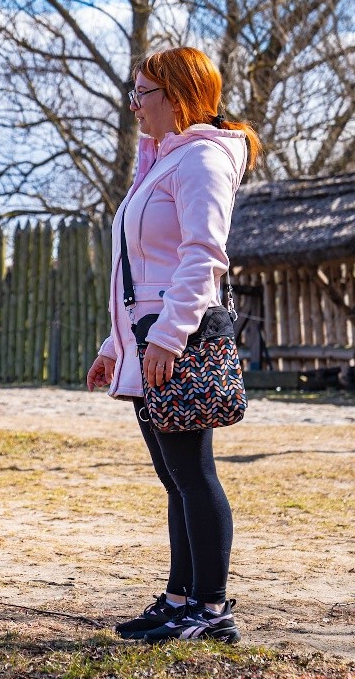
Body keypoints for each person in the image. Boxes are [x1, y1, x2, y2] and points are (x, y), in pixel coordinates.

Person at [86, 47, 261, 644]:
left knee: (194, 474)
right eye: (133, 93)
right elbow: (138, 271)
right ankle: (180, 598)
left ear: (179, 96)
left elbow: (203, 257)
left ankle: (211, 611)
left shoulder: (202, 160)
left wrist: (166, 337)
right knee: (176, 479)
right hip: (147, 339)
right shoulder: (162, 162)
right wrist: (115, 345)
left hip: (173, 340)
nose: (134, 105)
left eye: (143, 94)